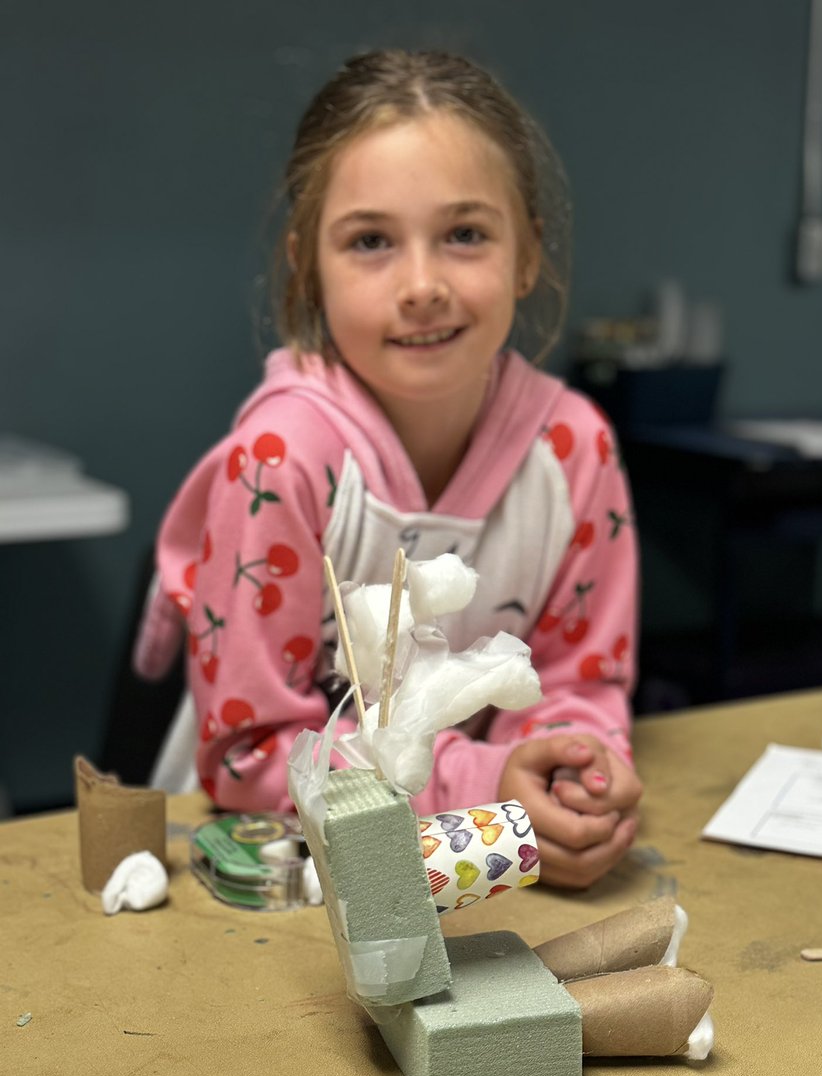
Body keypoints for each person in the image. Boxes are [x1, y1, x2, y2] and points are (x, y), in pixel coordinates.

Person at [134, 48, 642, 889]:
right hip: (266, 876)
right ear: (308, 266)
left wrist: (575, 774)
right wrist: (483, 795)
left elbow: (580, 683)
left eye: (465, 235)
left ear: (526, 256)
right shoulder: (281, 463)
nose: (421, 284)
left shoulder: (576, 451)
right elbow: (251, 752)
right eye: (371, 241)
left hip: (477, 874)